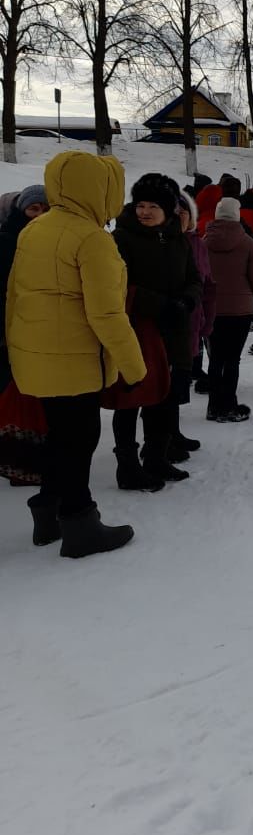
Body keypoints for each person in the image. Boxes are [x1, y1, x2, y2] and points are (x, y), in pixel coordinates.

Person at [6, 151, 145, 556]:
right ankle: (81, 524)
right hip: (75, 360)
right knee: (80, 439)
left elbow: (14, 295)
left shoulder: (35, 230)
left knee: (58, 438)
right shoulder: (92, 239)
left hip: (38, 357)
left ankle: (47, 512)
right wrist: (134, 366)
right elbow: (106, 313)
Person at [111, 173, 201, 489]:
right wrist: (160, 304)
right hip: (137, 328)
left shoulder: (178, 238)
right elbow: (119, 287)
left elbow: (194, 277)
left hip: (173, 328)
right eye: (141, 204)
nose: (145, 211)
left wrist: (188, 300)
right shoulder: (121, 238)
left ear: (168, 209)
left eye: (153, 206)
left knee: (163, 395)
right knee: (131, 397)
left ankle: (156, 458)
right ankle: (127, 465)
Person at [0, 186, 49, 488]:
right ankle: (15, 462)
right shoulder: (6, 241)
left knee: (37, 398)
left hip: (41, 331)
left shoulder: (51, 241)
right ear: (22, 210)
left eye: (46, 209)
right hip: (8, 331)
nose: (40, 215)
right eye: (34, 209)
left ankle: (34, 460)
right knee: (11, 395)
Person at [204, 197, 253, 421]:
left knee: (215, 359)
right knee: (232, 359)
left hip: (211, 308)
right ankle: (229, 404)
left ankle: (213, 406)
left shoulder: (203, 242)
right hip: (240, 310)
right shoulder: (249, 244)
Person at [175, 191, 215, 460]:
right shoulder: (161, 244)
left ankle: (171, 431)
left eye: (183, 212)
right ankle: (159, 440)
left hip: (191, 320)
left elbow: (206, 282)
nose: (178, 217)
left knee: (179, 381)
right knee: (163, 383)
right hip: (166, 322)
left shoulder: (196, 243)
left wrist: (206, 318)